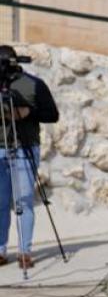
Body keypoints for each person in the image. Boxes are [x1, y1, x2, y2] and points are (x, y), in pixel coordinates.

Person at [0, 45, 58, 271]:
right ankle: (1, 251)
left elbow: (52, 114)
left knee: (23, 201)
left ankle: (25, 251)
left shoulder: (34, 84)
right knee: (0, 203)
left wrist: (28, 112)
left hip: (24, 149)